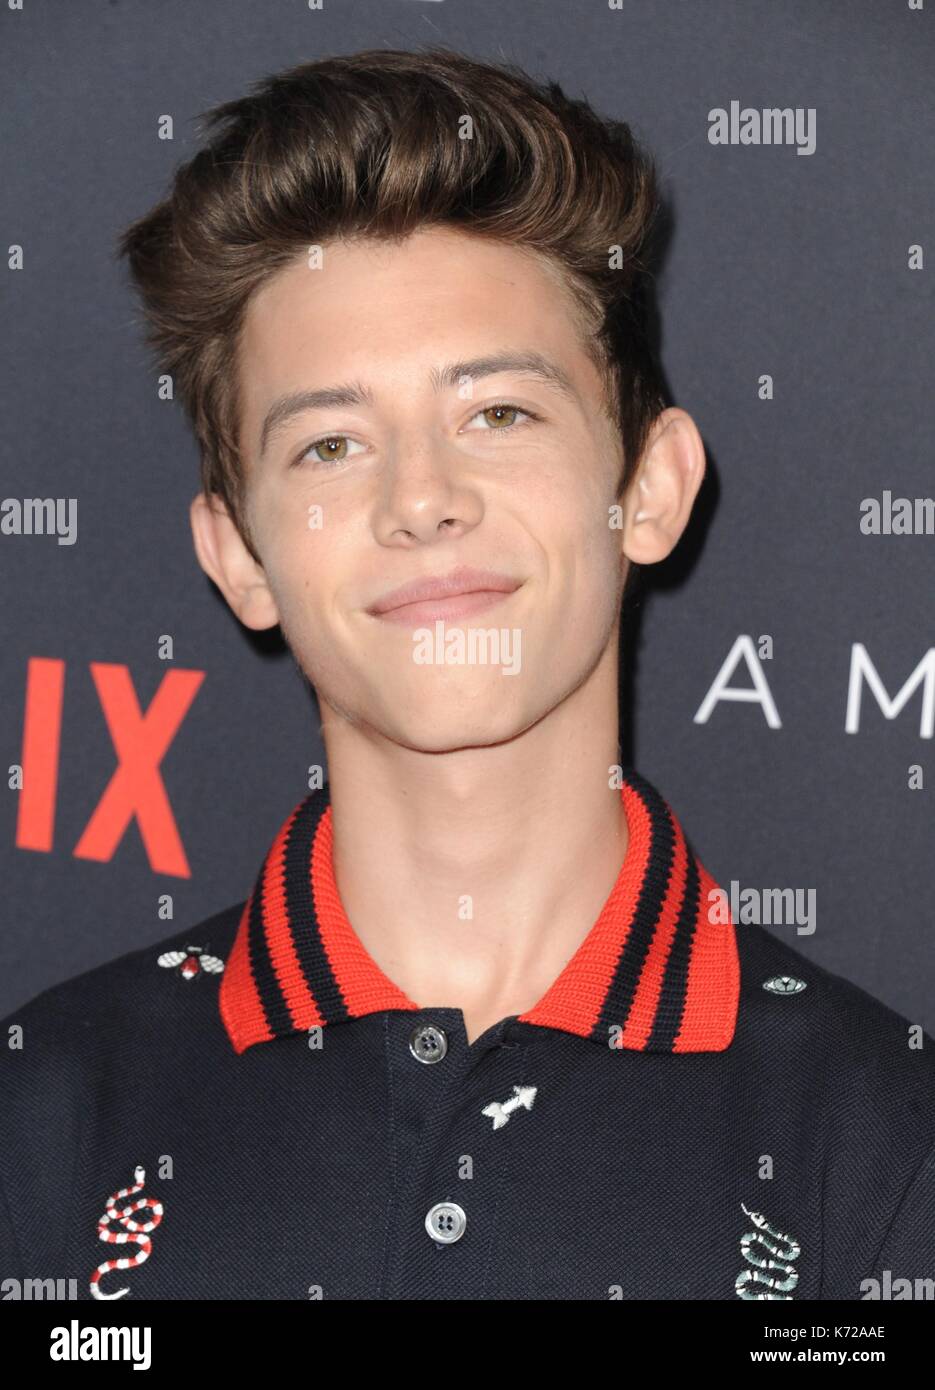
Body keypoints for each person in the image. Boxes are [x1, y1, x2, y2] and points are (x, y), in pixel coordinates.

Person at [2, 47, 933, 1302]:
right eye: (330, 442)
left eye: (497, 412)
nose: (421, 499)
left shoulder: (879, 1137)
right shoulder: (47, 1111)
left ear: (646, 489)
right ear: (238, 558)